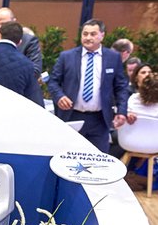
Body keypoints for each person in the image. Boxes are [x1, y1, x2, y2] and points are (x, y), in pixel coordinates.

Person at [47, 19, 129, 153]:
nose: (88, 37)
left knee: (98, 159)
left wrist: (122, 111)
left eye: (93, 34)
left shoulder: (113, 58)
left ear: (102, 35)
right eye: (85, 34)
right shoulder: (66, 57)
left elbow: (121, 87)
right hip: (71, 116)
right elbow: (53, 81)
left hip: (100, 120)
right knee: (67, 157)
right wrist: (59, 96)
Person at [0, 7, 42, 78]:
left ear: (14, 22)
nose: (0, 28)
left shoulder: (28, 41)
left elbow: (35, 70)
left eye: (4, 24)